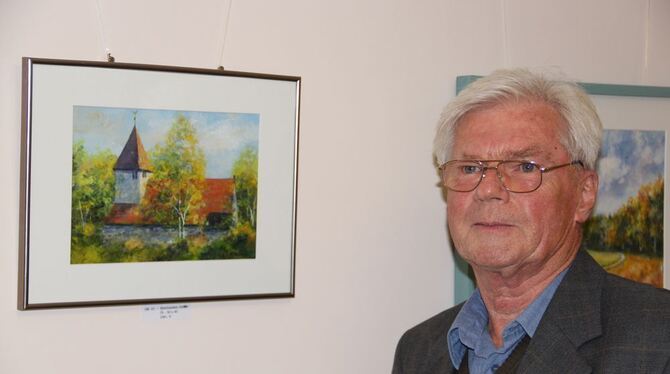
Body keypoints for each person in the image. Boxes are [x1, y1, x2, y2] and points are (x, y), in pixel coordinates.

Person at [392, 68, 670, 374]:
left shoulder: (657, 339)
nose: (487, 190)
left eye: (524, 167)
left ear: (584, 194)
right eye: (470, 168)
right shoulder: (419, 351)